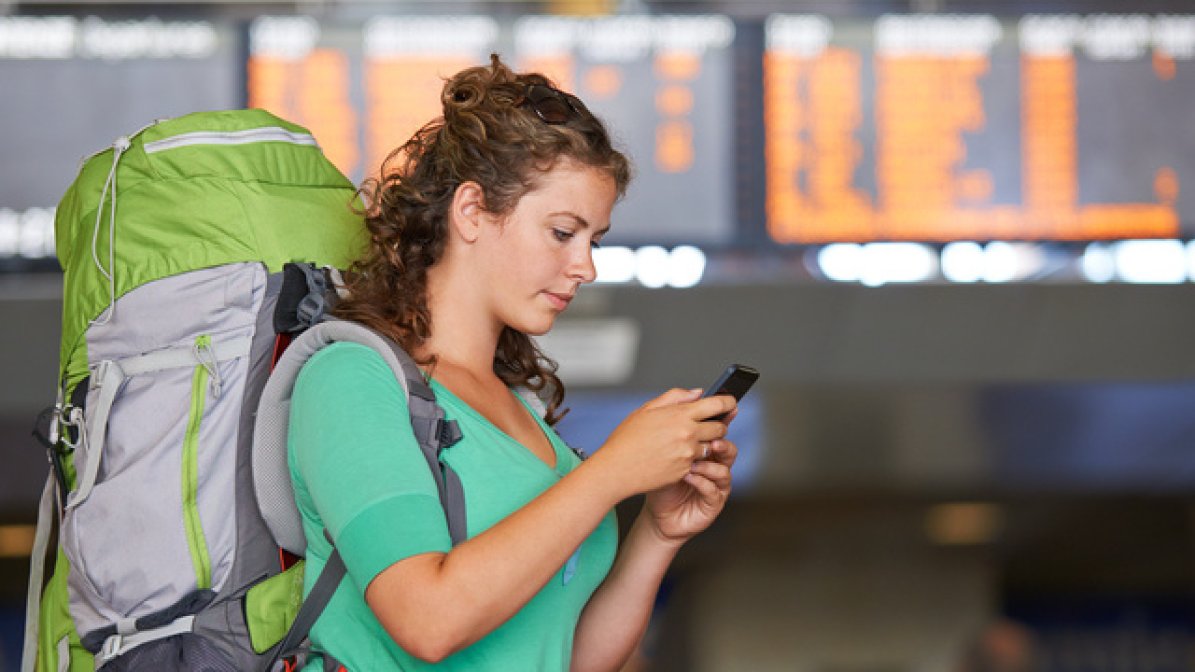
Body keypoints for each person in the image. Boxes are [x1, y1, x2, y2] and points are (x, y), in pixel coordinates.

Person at [287, 54, 740, 671]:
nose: (586, 266)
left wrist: (657, 534)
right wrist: (610, 472)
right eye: (562, 232)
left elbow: (565, 658)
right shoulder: (351, 380)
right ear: (472, 211)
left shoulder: (518, 411)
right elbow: (429, 620)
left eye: (594, 240)